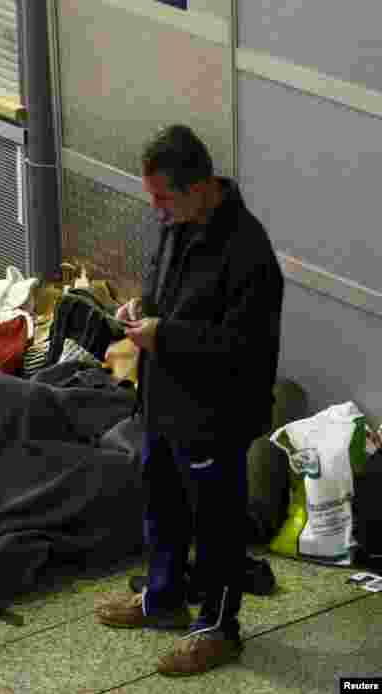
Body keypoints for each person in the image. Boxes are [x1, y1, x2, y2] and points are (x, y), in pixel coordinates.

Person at [93, 125, 284, 676]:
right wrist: (139, 310)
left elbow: (243, 348)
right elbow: (164, 296)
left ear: (199, 187)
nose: (155, 210)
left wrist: (165, 336)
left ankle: (218, 628)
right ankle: (163, 599)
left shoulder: (248, 252)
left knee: (217, 525)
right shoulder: (180, 225)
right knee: (163, 508)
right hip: (165, 400)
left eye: (162, 198)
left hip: (214, 415)